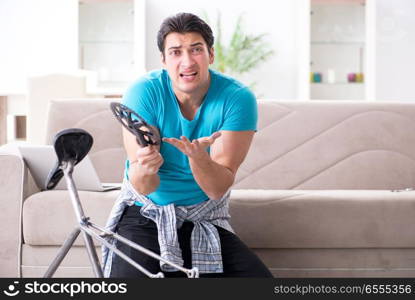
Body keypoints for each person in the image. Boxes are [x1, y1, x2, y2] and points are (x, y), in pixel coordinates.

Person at [103, 12, 273, 278]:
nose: (187, 61)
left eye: (196, 49)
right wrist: (146, 168)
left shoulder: (237, 99)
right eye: (176, 52)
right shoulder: (144, 92)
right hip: (146, 213)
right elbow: (144, 185)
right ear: (163, 59)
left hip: (204, 215)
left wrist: (199, 158)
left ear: (211, 55)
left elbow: (217, 189)